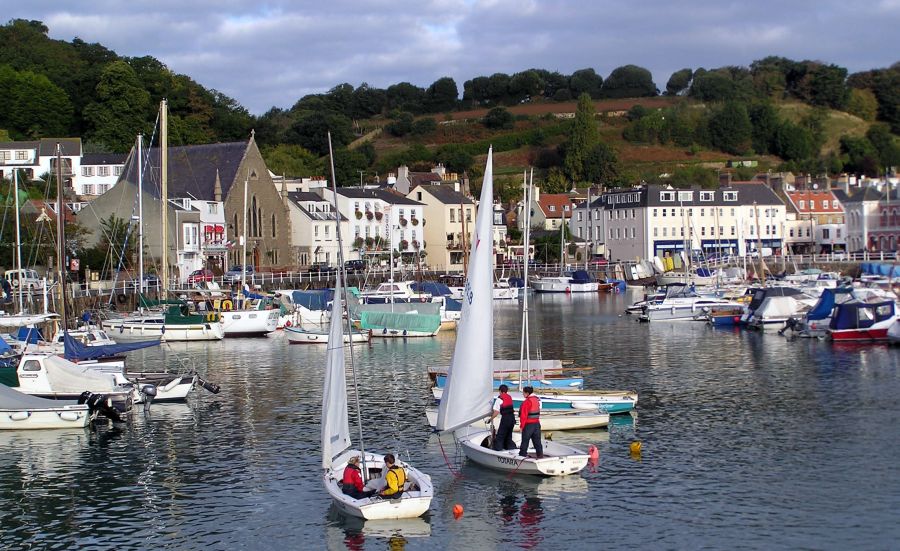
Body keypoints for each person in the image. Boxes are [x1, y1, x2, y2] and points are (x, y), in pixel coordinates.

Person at [518, 386, 543, 458]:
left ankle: (522, 455)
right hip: (537, 424)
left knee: (525, 441)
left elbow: (523, 416)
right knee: (537, 441)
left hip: (529, 425)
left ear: (527, 393)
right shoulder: (536, 400)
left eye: (523, 392)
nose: (523, 394)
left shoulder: (527, 402)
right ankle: (540, 455)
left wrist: (521, 426)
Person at [491, 384, 516, 451]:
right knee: (508, 436)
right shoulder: (509, 397)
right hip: (512, 419)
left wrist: (490, 419)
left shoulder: (499, 398)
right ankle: (511, 449)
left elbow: (496, 412)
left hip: (506, 419)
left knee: (500, 436)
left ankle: (497, 450)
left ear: (500, 391)